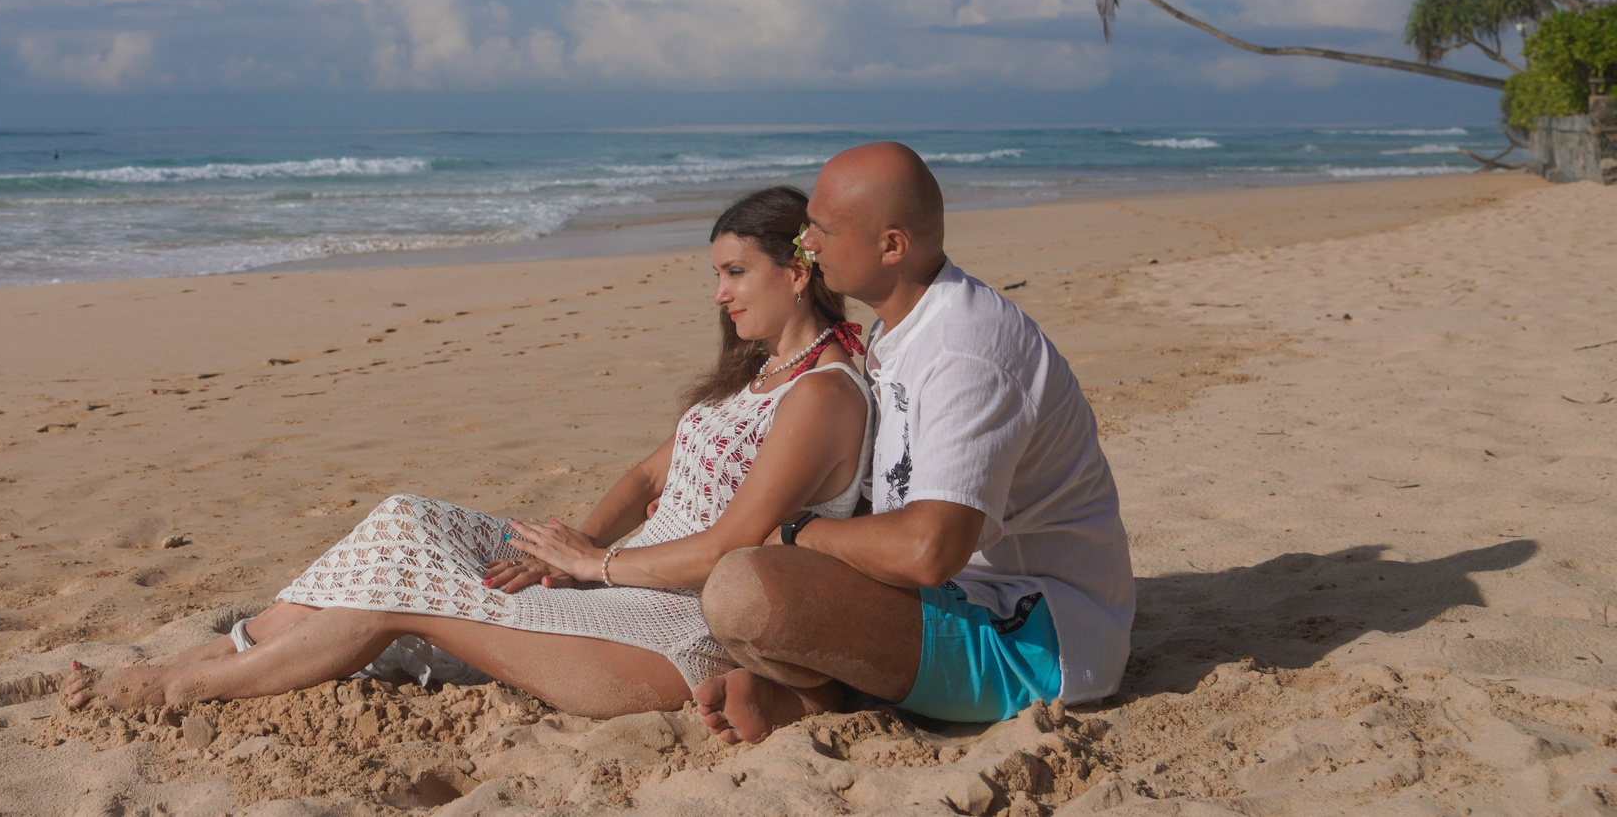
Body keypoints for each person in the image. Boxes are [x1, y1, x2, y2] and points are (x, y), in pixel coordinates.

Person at [62, 186, 874, 719]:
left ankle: (182, 684)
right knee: (407, 520)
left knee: (396, 595)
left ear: (798, 270)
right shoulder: (757, 376)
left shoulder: (823, 394)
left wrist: (594, 565)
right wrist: (567, 549)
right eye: (716, 273)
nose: (720, 292)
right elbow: (645, 477)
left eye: (735, 272)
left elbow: (734, 546)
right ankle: (229, 646)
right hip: (614, 580)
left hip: (672, 630)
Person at [692, 143, 1133, 743]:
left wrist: (798, 533)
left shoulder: (965, 348)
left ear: (891, 246)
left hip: (1031, 637)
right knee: (747, 564)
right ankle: (821, 688)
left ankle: (820, 691)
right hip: (947, 595)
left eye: (821, 229)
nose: (807, 245)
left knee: (743, 591)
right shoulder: (896, 331)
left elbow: (929, 550)